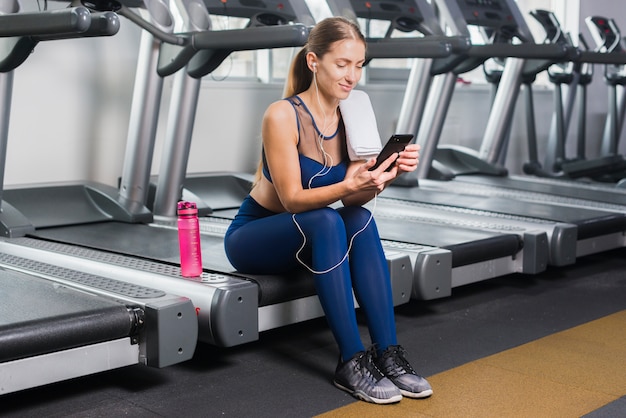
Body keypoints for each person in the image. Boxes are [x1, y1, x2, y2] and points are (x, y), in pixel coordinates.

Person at [224, 16, 432, 404]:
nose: (352, 76)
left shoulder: (354, 112)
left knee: (358, 218)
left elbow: (354, 199)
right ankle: (351, 359)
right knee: (324, 219)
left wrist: (385, 176)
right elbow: (291, 200)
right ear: (314, 61)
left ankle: (388, 352)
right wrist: (349, 184)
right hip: (256, 238)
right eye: (342, 64)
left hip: (311, 238)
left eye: (359, 65)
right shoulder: (282, 115)